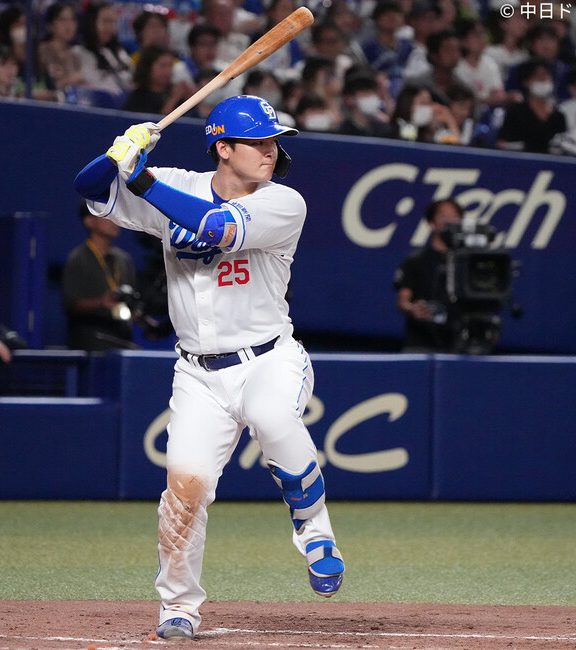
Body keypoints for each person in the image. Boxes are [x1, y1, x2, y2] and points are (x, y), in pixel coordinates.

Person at [73, 95, 345, 639]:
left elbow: (216, 227)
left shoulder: (283, 202)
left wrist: (140, 177)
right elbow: (91, 189)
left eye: (273, 142)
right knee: (185, 488)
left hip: (268, 358)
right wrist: (118, 154)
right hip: (197, 373)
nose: (270, 151)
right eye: (258, 141)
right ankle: (178, 608)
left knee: (273, 418)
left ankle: (315, 531)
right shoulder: (178, 184)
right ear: (223, 148)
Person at [62, 201, 137, 352]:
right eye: (107, 215)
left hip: (123, 343)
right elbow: (71, 305)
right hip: (90, 345)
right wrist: (101, 303)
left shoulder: (124, 260)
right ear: (89, 221)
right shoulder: (77, 259)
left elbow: (133, 303)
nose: (115, 220)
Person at [393, 197, 464, 352]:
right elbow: (403, 301)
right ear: (431, 222)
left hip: (459, 344)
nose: (449, 220)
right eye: (443, 215)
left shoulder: (467, 261)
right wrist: (413, 309)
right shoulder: (416, 260)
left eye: (455, 216)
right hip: (420, 344)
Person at [497, 58, 567, 154]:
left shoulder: (559, 116)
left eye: (546, 74)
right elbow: (502, 143)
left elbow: (562, 147)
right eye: (537, 75)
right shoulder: (515, 112)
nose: (542, 79)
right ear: (526, 82)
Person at [122, 44, 194, 117]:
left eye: (170, 66)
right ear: (148, 67)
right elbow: (157, 121)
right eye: (163, 66)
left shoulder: (172, 91)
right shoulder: (138, 98)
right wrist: (174, 98)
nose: (168, 71)